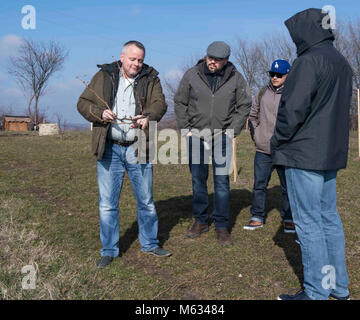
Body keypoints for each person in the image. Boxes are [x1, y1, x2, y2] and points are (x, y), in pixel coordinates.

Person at [271, 9, 352, 300]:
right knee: (328, 218)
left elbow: (292, 110)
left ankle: (318, 291)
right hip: (330, 153)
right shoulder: (342, 63)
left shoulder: (308, 62)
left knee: (309, 223)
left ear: (305, 31)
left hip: (304, 154)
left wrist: (277, 141)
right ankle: (337, 287)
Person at [77, 40, 171, 268]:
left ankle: (150, 243)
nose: (137, 64)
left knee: (146, 201)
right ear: (122, 57)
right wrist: (100, 113)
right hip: (110, 147)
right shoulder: (104, 75)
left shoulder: (151, 78)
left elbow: (160, 104)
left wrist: (147, 116)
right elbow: (82, 103)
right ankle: (109, 250)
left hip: (137, 147)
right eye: (132, 59)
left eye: (140, 59)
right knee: (107, 204)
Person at [174, 41, 252, 245]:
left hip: (221, 137)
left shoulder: (236, 78)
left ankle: (221, 225)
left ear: (226, 61)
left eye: (217, 60)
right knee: (198, 181)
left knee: (221, 183)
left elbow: (244, 105)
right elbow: (180, 101)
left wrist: (231, 131)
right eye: (210, 57)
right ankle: (200, 220)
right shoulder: (192, 74)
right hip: (196, 137)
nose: (212, 62)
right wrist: (185, 129)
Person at [244, 59, 295, 233]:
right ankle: (257, 216)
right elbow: (252, 116)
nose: (275, 77)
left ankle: (289, 219)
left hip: (285, 150)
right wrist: (256, 135)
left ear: (287, 75)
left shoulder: (294, 93)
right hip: (263, 149)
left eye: (279, 75)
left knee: (288, 187)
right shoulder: (262, 92)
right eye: (272, 74)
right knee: (259, 184)